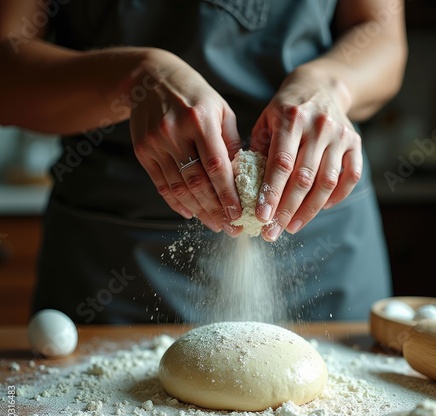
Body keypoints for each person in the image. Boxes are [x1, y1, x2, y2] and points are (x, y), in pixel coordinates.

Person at [0, 0, 407, 324]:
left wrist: (330, 85)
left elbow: (382, 33)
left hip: (317, 228)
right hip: (117, 254)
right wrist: (136, 78)